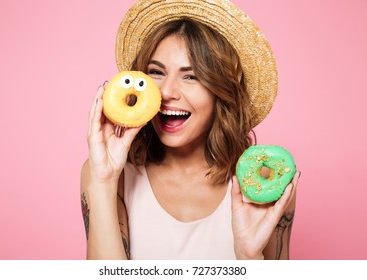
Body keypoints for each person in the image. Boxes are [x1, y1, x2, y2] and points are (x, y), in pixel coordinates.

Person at [81, 0, 301, 260]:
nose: (167, 93)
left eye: (191, 76)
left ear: (221, 91)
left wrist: (249, 257)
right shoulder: (111, 176)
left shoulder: (263, 184)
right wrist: (103, 181)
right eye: (156, 72)